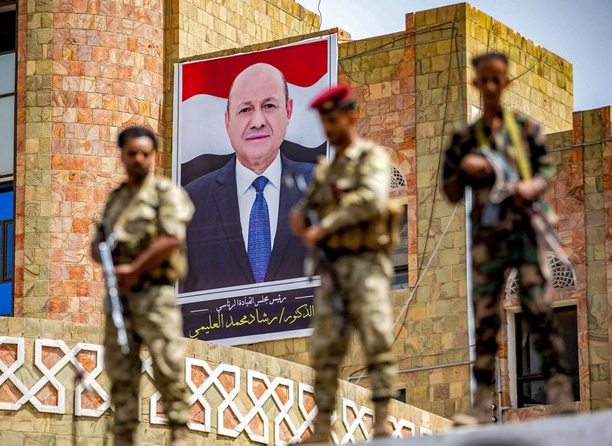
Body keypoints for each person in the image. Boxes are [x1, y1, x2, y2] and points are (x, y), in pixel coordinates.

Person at [442, 52, 574, 424]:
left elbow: (545, 170)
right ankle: (482, 403)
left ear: (506, 82)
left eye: (496, 79)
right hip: (487, 239)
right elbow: (449, 191)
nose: (490, 87)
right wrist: (467, 168)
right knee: (485, 320)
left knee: (539, 309)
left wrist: (530, 184)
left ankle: (559, 393)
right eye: (483, 80)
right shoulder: (464, 139)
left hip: (524, 234)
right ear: (475, 83)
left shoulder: (526, 130)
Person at [290, 85, 401, 442]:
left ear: (352, 116)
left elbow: (370, 199)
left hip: (366, 264)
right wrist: (301, 219)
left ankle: (382, 421)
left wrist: (327, 225)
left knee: (376, 341)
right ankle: (322, 426)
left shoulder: (372, 157)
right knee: (324, 350)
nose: (327, 128)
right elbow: (305, 209)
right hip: (333, 270)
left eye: (333, 119)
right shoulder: (325, 170)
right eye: (323, 121)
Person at [91, 126, 193, 446]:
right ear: (122, 154)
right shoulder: (116, 199)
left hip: (155, 293)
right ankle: (124, 437)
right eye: (132, 153)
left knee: (168, 363)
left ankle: (179, 434)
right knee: (121, 370)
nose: (139, 159)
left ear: (153, 156)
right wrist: (102, 253)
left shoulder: (164, 192)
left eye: (145, 153)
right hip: (122, 299)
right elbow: (100, 243)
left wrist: (135, 269)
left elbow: (171, 237)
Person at [181, 63, 313, 293]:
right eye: (245, 110)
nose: (258, 121)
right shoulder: (191, 203)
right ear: (227, 121)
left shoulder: (323, 188)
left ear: (289, 111)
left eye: (269, 106)